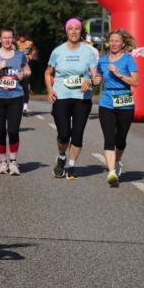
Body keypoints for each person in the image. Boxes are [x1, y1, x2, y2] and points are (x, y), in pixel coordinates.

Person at [45, 18, 100, 180]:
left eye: (77, 28)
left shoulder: (88, 52)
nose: (74, 31)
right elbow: (48, 73)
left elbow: (96, 77)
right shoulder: (58, 51)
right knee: (63, 134)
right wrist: (49, 91)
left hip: (82, 98)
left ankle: (71, 165)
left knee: (77, 135)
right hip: (61, 96)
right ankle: (62, 155)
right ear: (66, 31)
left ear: (80, 31)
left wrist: (90, 81)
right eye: (71, 29)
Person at [95, 29, 139, 187]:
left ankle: (118, 160)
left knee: (120, 139)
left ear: (122, 43)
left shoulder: (128, 59)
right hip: (106, 101)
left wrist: (119, 74)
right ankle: (112, 172)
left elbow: (135, 82)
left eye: (116, 41)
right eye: (111, 40)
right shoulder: (103, 60)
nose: (113, 43)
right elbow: (98, 78)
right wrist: (94, 79)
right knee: (109, 138)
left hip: (124, 101)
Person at [0, 27, 30, 175]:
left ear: (13, 39)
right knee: (0, 131)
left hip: (16, 98)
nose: (7, 40)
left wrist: (23, 75)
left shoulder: (19, 55)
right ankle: (3, 162)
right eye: (4, 38)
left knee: (13, 131)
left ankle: (14, 162)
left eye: (10, 38)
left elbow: (27, 71)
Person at [16, 34, 38, 114]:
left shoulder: (29, 43)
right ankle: (16, 106)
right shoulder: (16, 43)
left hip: (26, 67)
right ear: (18, 36)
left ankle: (25, 107)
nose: (22, 37)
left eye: (24, 35)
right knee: (17, 87)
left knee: (25, 87)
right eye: (20, 35)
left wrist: (31, 55)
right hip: (16, 67)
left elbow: (35, 50)